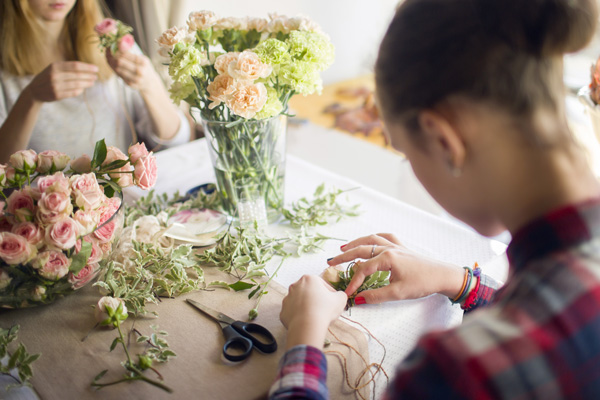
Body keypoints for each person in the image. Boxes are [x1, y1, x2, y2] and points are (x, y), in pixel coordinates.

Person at [269, 0, 600, 398]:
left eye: (407, 153)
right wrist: (461, 282)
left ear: (444, 142)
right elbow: (559, 309)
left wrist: (305, 335)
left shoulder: (455, 373)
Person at [0, 0, 190, 162]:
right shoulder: (6, 74)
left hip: (122, 200)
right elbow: (3, 173)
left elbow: (179, 139)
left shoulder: (112, 43)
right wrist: (31, 98)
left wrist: (150, 84)